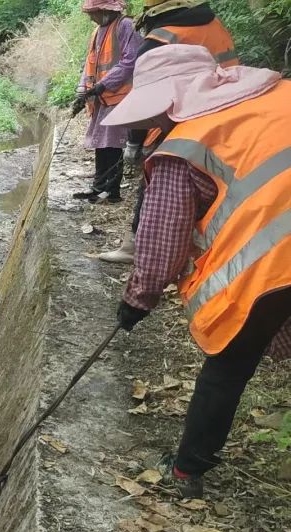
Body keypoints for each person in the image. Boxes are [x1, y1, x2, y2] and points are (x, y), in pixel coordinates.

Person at [103, 45, 291, 498]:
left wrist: (136, 300)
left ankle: (188, 470)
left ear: (169, 100)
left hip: (277, 261)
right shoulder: (276, 95)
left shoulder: (187, 145)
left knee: (229, 363)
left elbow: (161, 245)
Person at [98, 0, 238, 264]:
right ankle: (202, 251)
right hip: (227, 116)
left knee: (156, 186)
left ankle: (138, 247)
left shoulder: (158, 41)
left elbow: (145, 101)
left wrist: (134, 145)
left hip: (180, 122)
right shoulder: (215, 25)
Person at [70, 0, 140, 204]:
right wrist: (81, 93)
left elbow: (131, 61)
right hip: (101, 98)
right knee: (101, 143)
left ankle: (111, 191)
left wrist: (103, 85)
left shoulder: (125, 26)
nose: (91, 17)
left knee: (113, 145)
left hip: (120, 97)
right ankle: (99, 188)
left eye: (94, 13)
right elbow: (89, 65)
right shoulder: (97, 32)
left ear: (106, 11)